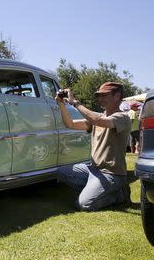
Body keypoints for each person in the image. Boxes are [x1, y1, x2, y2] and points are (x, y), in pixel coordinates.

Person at [55, 82, 132, 211]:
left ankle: (118, 195)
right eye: (99, 96)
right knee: (61, 172)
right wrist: (61, 103)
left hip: (112, 174)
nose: (100, 99)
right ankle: (98, 190)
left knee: (84, 205)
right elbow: (70, 124)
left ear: (117, 96)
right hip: (93, 170)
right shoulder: (98, 118)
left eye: (104, 95)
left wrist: (75, 103)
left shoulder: (122, 118)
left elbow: (98, 121)